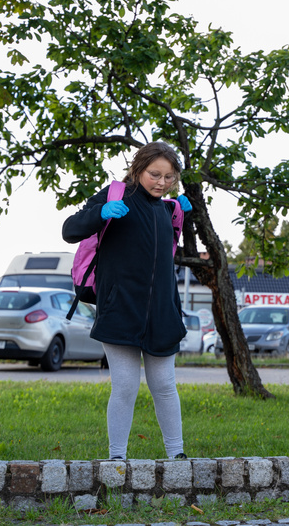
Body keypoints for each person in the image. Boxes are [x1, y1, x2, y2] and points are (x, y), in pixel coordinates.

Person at [62, 142, 192, 460]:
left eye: (169, 177)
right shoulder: (115, 195)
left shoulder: (169, 211)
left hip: (161, 313)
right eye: (154, 174)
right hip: (119, 309)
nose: (161, 183)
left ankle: (176, 455)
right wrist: (100, 213)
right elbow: (70, 230)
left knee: (164, 384)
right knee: (124, 387)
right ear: (138, 169)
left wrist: (182, 215)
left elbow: (166, 264)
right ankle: (116, 457)